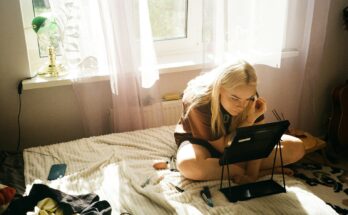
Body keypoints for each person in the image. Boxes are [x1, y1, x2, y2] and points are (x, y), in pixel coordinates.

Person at [174, 60, 305, 184]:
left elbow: (259, 141)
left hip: (239, 142)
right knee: (189, 166)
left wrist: (252, 176)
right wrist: (248, 121)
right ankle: (260, 171)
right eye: (234, 98)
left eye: (248, 98)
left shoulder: (248, 95)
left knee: (297, 147)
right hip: (200, 143)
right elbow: (225, 148)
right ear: (219, 87)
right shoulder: (198, 101)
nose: (241, 106)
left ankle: (227, 169)